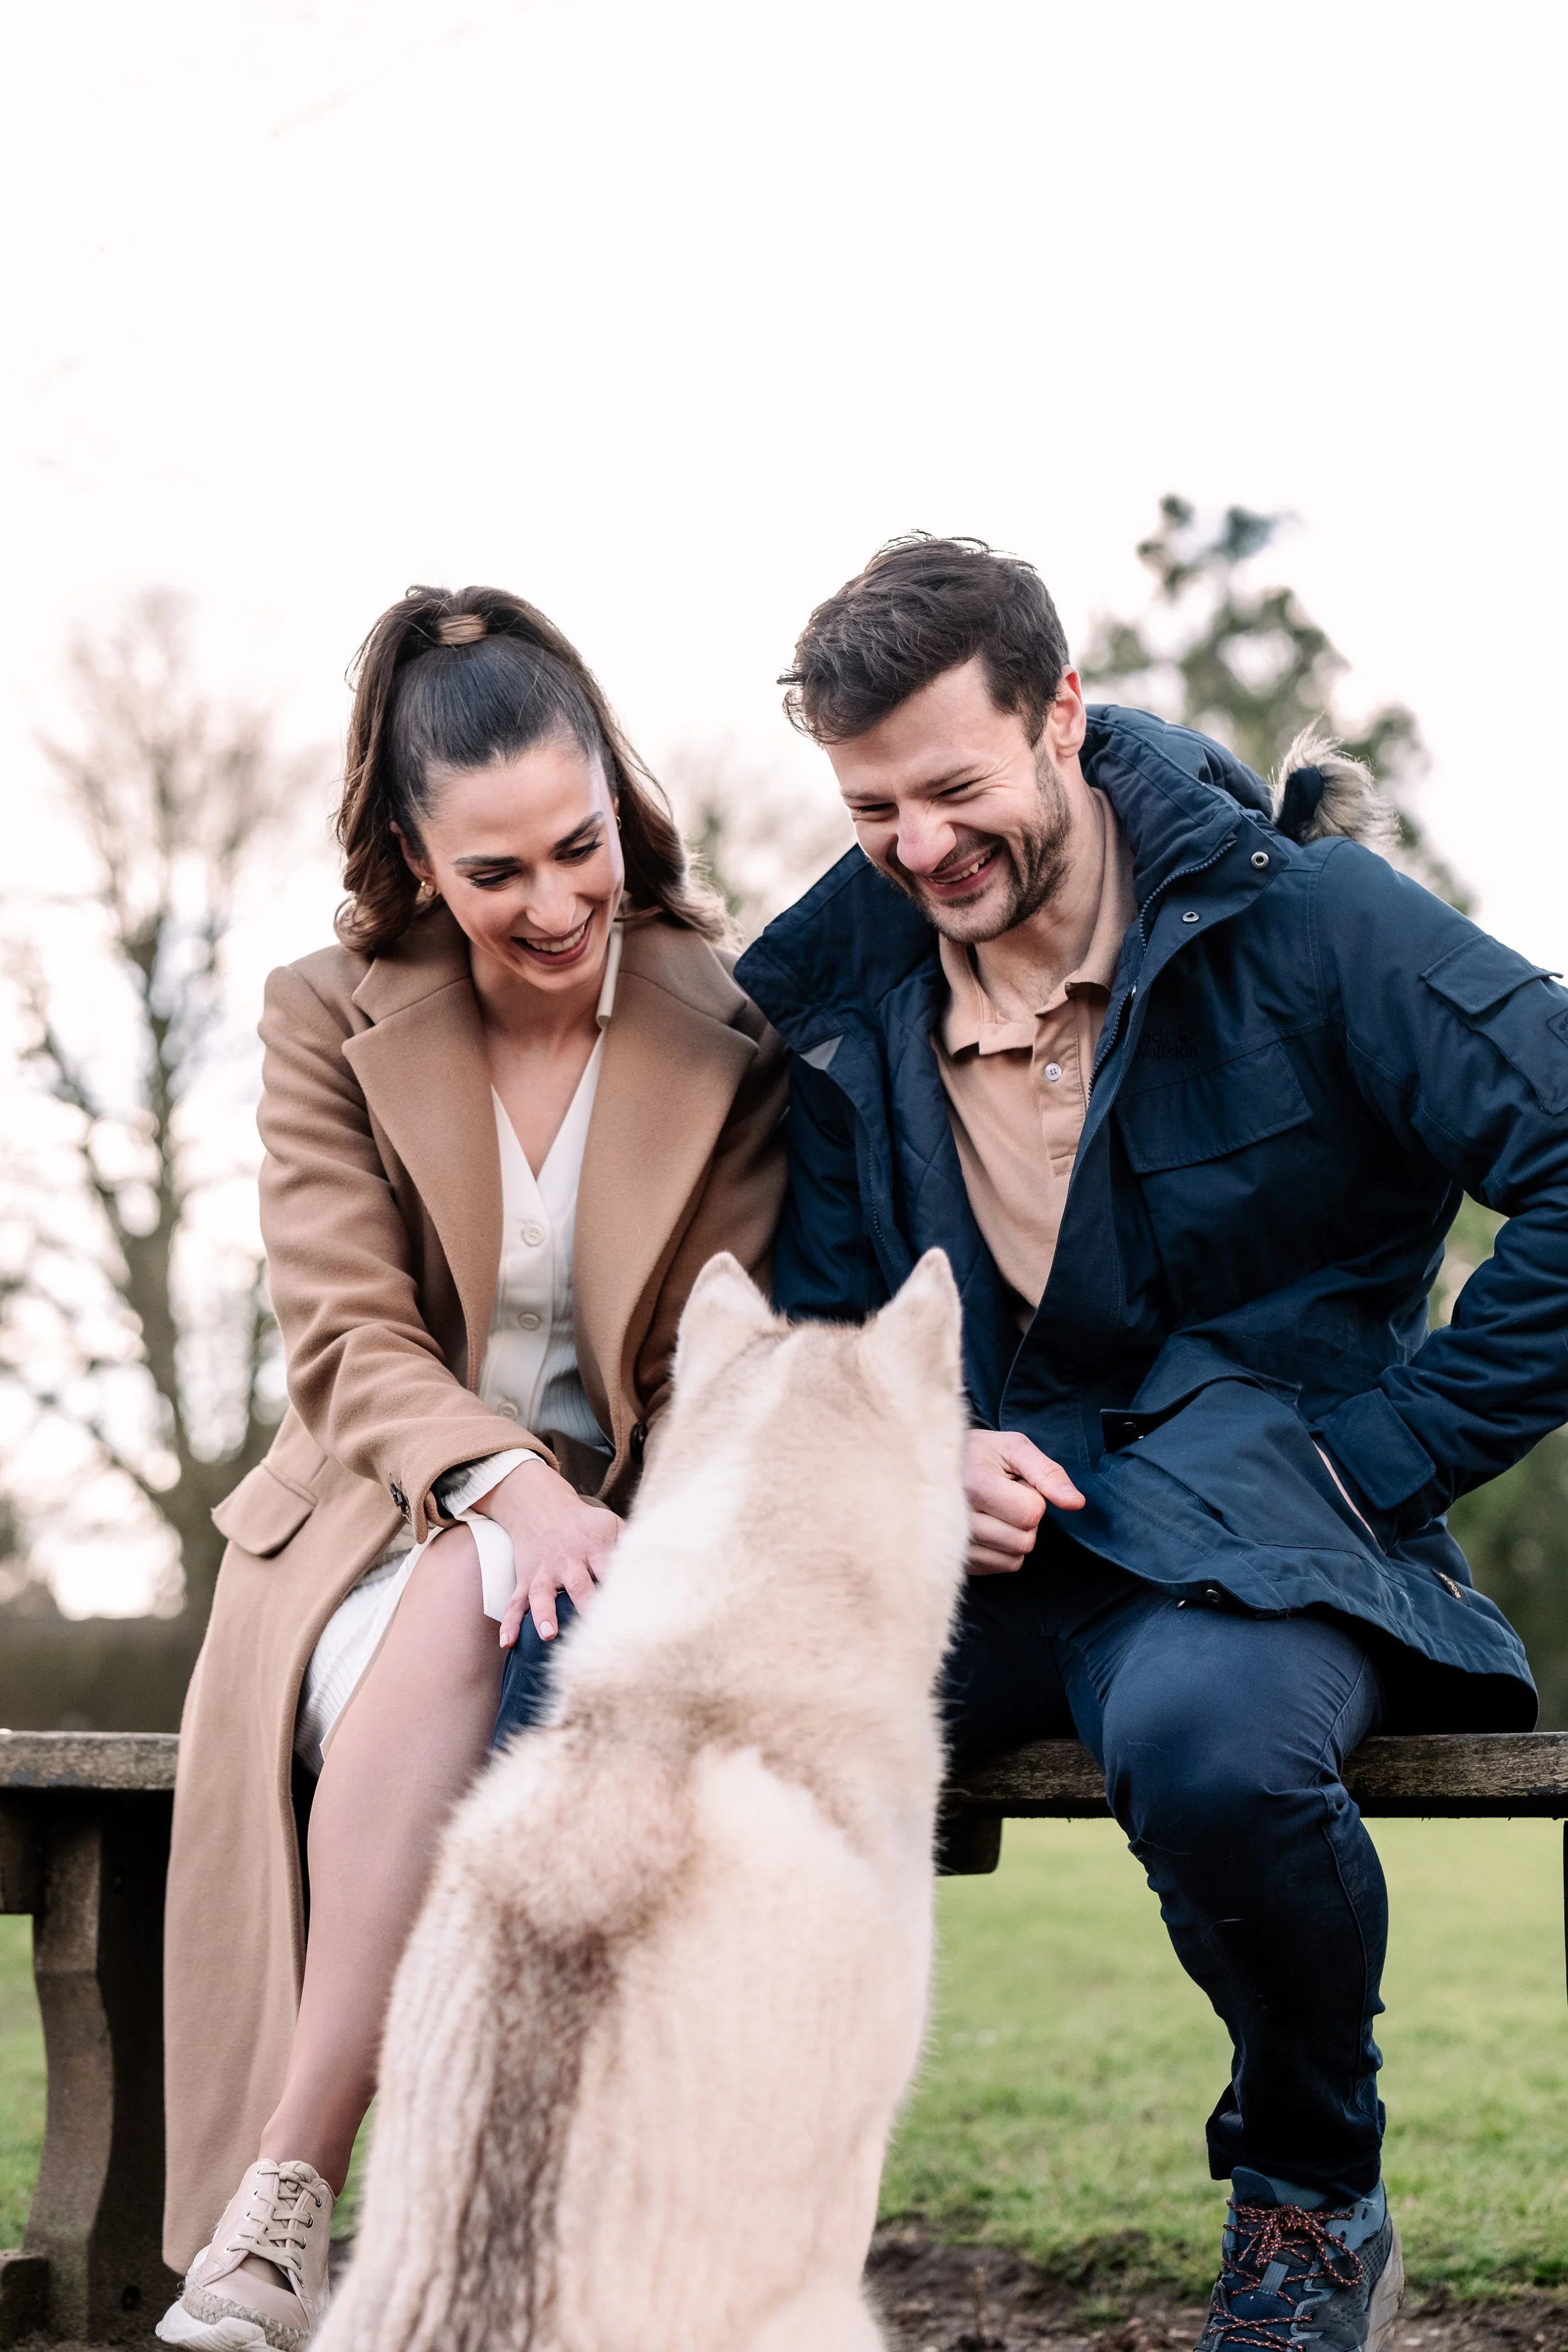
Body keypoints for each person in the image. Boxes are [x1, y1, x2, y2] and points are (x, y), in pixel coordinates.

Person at [734, 534, 1565, 2352]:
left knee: (1212, 1754)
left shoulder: (1312, 919)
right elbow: (805, 1328)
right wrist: (909, 1454)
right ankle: (719, 2229)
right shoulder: (824, 998)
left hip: (1257, 1524)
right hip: (969, 1548)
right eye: (872, 807)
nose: (919, 845)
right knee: (656, 1706)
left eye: (953, 788)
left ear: (1060, 717)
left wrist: (1392, 1447)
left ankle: (1306, 2197)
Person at [158, 586, 786, 2351]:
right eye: (495, 873)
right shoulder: (316, 1016)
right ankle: (292, 2194)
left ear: (617, 802)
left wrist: (618, 1516)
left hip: (640, 1526)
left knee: (535, 1601)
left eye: (577, 849)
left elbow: (712, 1346)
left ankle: (506, 2233)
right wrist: (506, 1481)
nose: (554, 904)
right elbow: (349, 1336)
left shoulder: (719, 1018)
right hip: (366, 1540)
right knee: (473, 1567)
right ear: (415, 859)